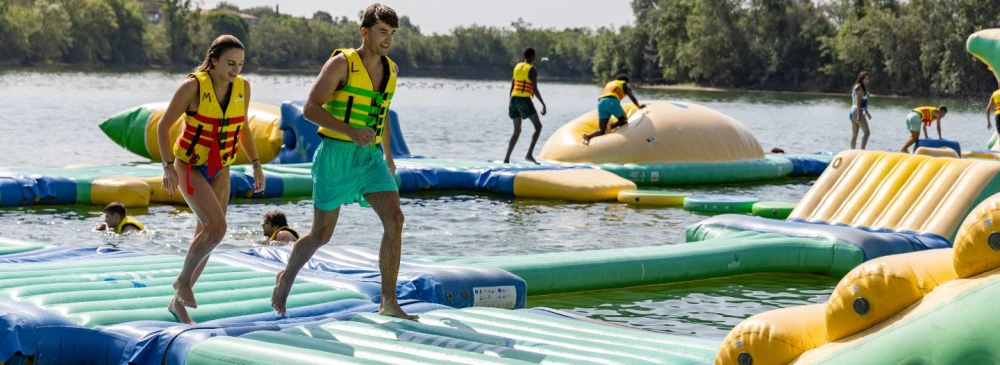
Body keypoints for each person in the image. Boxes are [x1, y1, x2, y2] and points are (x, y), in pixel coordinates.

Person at [270, 3, 417, 320]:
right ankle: (286, 277)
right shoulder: (341, 65)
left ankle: (388, 302)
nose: (387, 39)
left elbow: (382, 115)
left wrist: (389, 158)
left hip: (369, 158)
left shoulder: (391, 70)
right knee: (322, 235)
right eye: (381, 32)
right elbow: (310, 108)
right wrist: (350, 131)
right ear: (364, 32)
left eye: (391, 33)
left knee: (395, 219)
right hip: (335, 155)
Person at [158, 34, 266, 324]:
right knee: (217, 228)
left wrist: (256, 164)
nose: (236, 70)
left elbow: (242, 128)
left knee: (207, 236)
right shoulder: (192, 87)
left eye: (241, 64)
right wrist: (167, 166)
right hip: (189, 166)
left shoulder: (243, 88)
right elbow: (163, 125)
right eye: (230, 63)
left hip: (221, 167)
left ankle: (176, 304)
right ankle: (182, 282)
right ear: (214, 60)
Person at [504, 47, 547, 164]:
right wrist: (543, 104)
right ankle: (529, 154)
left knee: (516, 131)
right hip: (523, 100)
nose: (536, 57)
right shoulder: (533, 69)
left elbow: (512, 86)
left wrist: (511, 102)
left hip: (513, 99)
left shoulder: (517, 67)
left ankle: (506, 159)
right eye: (535, 55)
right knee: (538, 126)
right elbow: (535, 89)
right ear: (531, 56)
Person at [582, 74, 646, 145]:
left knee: (601, 130)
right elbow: (632, 97)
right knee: (623, 120)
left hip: (601, 103)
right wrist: (639, 106)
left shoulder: (610, 84)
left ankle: (587, 136)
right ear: (625, 81)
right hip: (611, 101)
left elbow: (608, 96)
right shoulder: (624, 84)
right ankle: (611, 127)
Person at [849, 71, 872, 150]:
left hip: (852, 111)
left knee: (855, 134)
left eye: (868, 79)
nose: (867, 80)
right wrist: (859, 115)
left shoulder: (856, 86)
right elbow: (858, 102)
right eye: (865, 78)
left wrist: (867, 112)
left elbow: (863, 102)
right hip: (857, 111)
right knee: (867, 133)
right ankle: (862, 150)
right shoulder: (860, 88)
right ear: (861, 78)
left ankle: (852, 151)